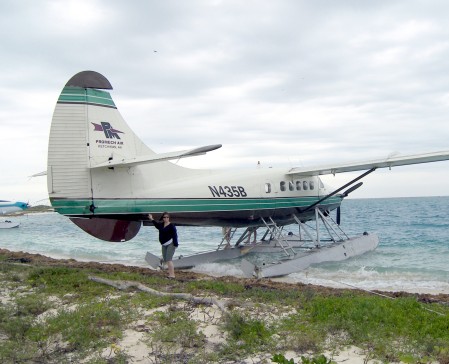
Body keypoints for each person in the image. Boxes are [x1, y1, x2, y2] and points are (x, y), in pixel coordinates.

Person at [148, 212, 178, 278]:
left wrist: (175, 245)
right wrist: (151, 218)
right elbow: (156, 225)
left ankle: (172, 275)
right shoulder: (161, 225)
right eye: (164, 217)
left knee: (169, 260)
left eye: (167, 217)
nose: (166, 218)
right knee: (165, 259)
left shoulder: (171, 226)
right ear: (163, 218)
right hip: (164, 244)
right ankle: (168, 272)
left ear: (169, 218)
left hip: (171, 244)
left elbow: (175, 235)